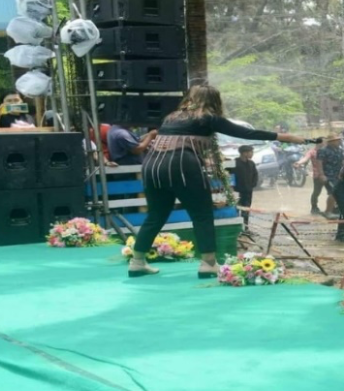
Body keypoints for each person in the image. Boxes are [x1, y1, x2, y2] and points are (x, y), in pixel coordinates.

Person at [128, 85, 305, 278]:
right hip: (182, 164)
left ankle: (137, 262)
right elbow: (246, 133)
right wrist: (285, 137)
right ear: (214, 100)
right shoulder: (207, 118)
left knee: (155, 215)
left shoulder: (172, 116)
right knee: (202, 214)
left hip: (152, 164)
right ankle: (208, 264)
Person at [317, 133, 344, 219]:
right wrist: (321, 174)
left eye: (339, 140)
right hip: (328, 175)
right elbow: (319, 163)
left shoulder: (340, 150)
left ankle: (334, 210)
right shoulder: (323, 150)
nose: (339, 141)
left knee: (338, 193)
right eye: (337, 140)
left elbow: (343, 162)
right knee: (333, 192)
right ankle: (328, 212)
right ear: (330, 142)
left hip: (339, 175)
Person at [295, 142, 327, 215]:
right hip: (317, 175)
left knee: (333, 191)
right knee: (316, 192)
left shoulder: (327, 151)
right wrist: (299, 163)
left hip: (329, 174)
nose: (325, 144)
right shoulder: (312, 152)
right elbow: (305, 158)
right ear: (319, 144)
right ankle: (314, 207)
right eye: (324, 143)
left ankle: (333, 208)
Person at [235, 145, 259, 228]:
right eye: (250, 152)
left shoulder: (251, 163)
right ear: (244, 153)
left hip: (248, 191)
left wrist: (253, 184)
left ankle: (245, 228)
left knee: (246, 210)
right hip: (237, 191)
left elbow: (255, 174)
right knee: (236, 209)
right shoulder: (234, 163)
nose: (252, 154)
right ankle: (237, 228)